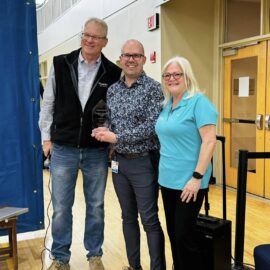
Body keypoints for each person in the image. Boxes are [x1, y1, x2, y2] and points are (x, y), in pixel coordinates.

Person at [39, 17, 121, 270]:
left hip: (96, 151)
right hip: (63, 148)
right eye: (86, 34)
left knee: (95, 206)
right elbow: (48, 103)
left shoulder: (113, 72)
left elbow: (114, 112)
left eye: (96, 37)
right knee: (62, 207)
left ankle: (94, 255)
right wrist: (46, 138)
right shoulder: (61, 63)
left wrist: (110, 140)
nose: (89, 40)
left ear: (105, 42)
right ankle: (61, 258)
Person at [92, 39, 166, 270]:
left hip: (143, 162)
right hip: (118, 164)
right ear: (120, 59)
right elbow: (110, 120)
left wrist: (117, 137)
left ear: (144, 59)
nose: (131, 59)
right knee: (127, 218)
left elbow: (153, 126)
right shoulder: (113, 90)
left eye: (136, 55)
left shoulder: (154, 88)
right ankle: (134, 266)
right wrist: (104, 128)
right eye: (127, 55)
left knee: (150, 220)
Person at [155, 56, 218, 270]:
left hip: (190, 181)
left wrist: (197, 178)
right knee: (173, 232)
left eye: (177, 74)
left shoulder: (199, 102)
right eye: (167, 75)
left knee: (184, 235)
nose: (172, 79)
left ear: (186, 76)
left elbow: (209, 141)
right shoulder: (166, 105)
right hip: (167, 179)